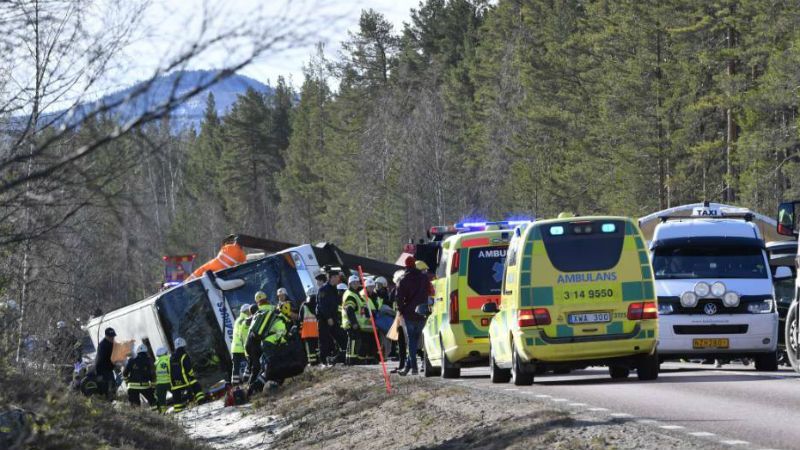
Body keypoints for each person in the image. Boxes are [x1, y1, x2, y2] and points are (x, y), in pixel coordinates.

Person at [250, 301, 295, 394]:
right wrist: (288, 338)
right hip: (270, 345)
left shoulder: (278, 319)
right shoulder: (281, 322)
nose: (292, 313)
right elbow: (279, 337)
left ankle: (255, 388)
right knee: (272, 368)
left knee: (267, 368)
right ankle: (257, 388)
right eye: (290, 311)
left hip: (267, 344)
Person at [396, 256, 431, 376]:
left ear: (406, 266)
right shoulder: (424, 278)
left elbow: (399, 298)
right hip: (422, 313)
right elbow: (430, 291)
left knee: (411, 342)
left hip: (409, 314)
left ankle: (413, 368)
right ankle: (408, 367)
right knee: (416, 342)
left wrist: (401, 310)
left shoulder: (403, 279)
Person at [341, 275, 377, 365]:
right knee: (353, 341)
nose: (356, 284)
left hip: (354, 322)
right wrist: (354, 323)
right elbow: (349, 310)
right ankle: (351, 360)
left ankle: (351, 359)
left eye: (357, 283)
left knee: (354, 340)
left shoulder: (354, 294)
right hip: (351, 322)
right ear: (349, 284)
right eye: (354, 283)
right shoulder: (350, 295)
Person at [169, 337, 206, 412]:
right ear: (183, 345)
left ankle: (178, 409)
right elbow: (188, 368)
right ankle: (201, 400)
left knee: (176, 395)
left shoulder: (171, 357)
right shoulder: (184, 355)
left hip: (174, 383)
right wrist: (192, 375)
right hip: (185, 380)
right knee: (196, 385)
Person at [317, 268, 345, 365]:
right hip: (324, 319)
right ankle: (324, 361)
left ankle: (341, 357)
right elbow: (322, 305)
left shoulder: (334, 289)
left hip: (333, 319)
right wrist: (328, 317)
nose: (338, 279)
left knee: (341, 337)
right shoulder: (323, 289)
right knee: (324, 341)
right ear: (332, 278)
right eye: (337, 277)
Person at [122, 344, 156, 409]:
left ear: (137, 352)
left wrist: (127, 383)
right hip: (144, 386)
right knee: (153, 402)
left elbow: (124, 374)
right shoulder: (149, 361)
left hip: (132, 387)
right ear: (146, 351)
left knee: (135, 407)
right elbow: (152, 375)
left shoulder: (131, 360)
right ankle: (158, 417)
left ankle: (138, 419)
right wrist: (153, 387)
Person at [389, 270, 407, 372]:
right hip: (398, 318)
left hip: (406, 317)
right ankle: (402, 364)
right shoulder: (395, 291)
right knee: (400, 342)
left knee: (409, 342)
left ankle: (408, 364)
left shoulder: (406, 289)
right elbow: (391, 301)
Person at [94, 327, 117, 401]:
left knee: (113, 386)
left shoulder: (111, 344)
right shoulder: (103, 345)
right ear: (106, 336)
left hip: (109, 369)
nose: (112, 338)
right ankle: (109, 401)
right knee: (108, 388)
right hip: (103, 370)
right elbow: (100, 360)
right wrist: (98, 373)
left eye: (113, 337)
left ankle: (112, 400)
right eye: (110, 337)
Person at [231, 304, 252, 384]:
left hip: (234, 348)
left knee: (235, 367)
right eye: (249, 310)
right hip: (241, 347)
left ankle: (235, 384)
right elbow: (244, 334)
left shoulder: (238, 320)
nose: (250, 312)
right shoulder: (245, 320)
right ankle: (246, 379)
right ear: (246, 311)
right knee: (251, 362)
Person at [299, 287, 320, 365]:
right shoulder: (318, 304)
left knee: (310, 348)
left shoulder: (304, 306)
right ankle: (319, 359)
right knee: (318, 346)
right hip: (317, 330)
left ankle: (312, 362)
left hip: (307, 331)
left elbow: (300, 319)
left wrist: (300, 331)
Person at [153, 347, 171, 413]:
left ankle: (163, 411)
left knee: (161, 399)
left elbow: (153, 374)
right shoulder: (169, 359)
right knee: (176, 394)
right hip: (169, 382)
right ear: (165, 353)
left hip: (160, 384)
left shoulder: (156, 363)